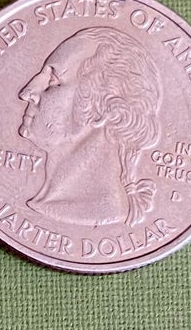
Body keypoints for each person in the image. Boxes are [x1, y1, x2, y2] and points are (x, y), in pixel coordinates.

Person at [16, 26, 163, 227]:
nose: (27, 92)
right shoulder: (48, 203)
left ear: (103, 106)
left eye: (53, 80)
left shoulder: (98, 210)